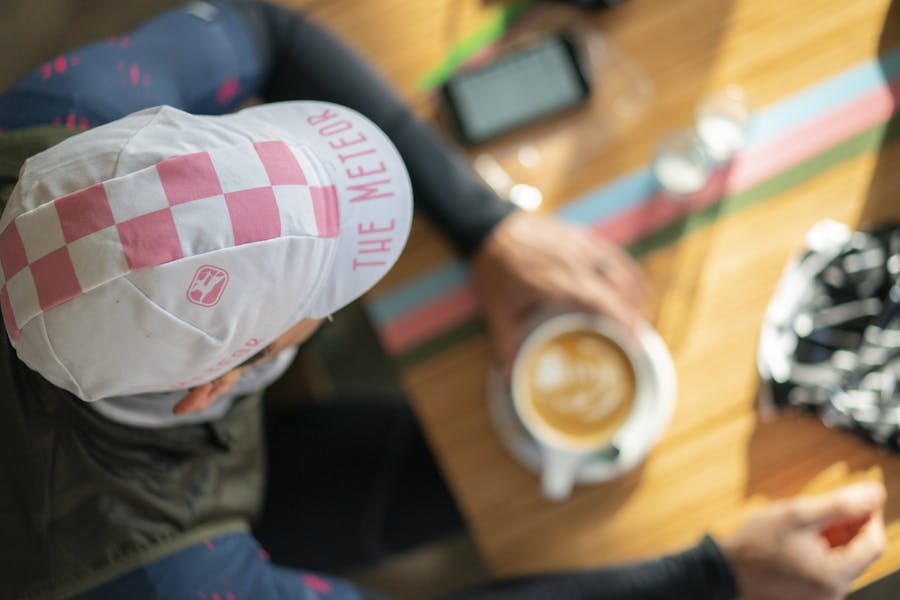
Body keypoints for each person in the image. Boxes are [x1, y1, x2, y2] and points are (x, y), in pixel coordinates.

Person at [0, 2, 886, 599]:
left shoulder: (57, 123)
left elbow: (258, 24)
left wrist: (488, 230)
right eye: (329, 291)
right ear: (212, 386)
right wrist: (718, 573)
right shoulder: (169, 576)